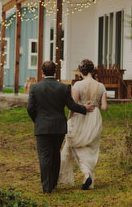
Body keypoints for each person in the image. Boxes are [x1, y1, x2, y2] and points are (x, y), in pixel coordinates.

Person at [27, 61, 95, 194]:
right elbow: (71, 106)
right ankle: (53, 183)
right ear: (55, 72)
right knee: (55, 154)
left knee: (44, 156)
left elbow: (30, 108)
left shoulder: (35, 88)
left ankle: (47, 188)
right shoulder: (63, 87)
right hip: (58, 127)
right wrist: (84, 109)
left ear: (42, 72)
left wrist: (37, 120)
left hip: (42, 127)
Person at [59, 59, 108, 190]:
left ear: (81, 71)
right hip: (95, 117)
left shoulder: (78, 86)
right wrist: (96, 103)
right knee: (90, 147)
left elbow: (73, 106)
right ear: (92, 70)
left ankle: (86, 174)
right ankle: (87, 176)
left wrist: (69, 119)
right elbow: (104, 107)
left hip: (81, 115)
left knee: (76, 143)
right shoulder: (101, 86)